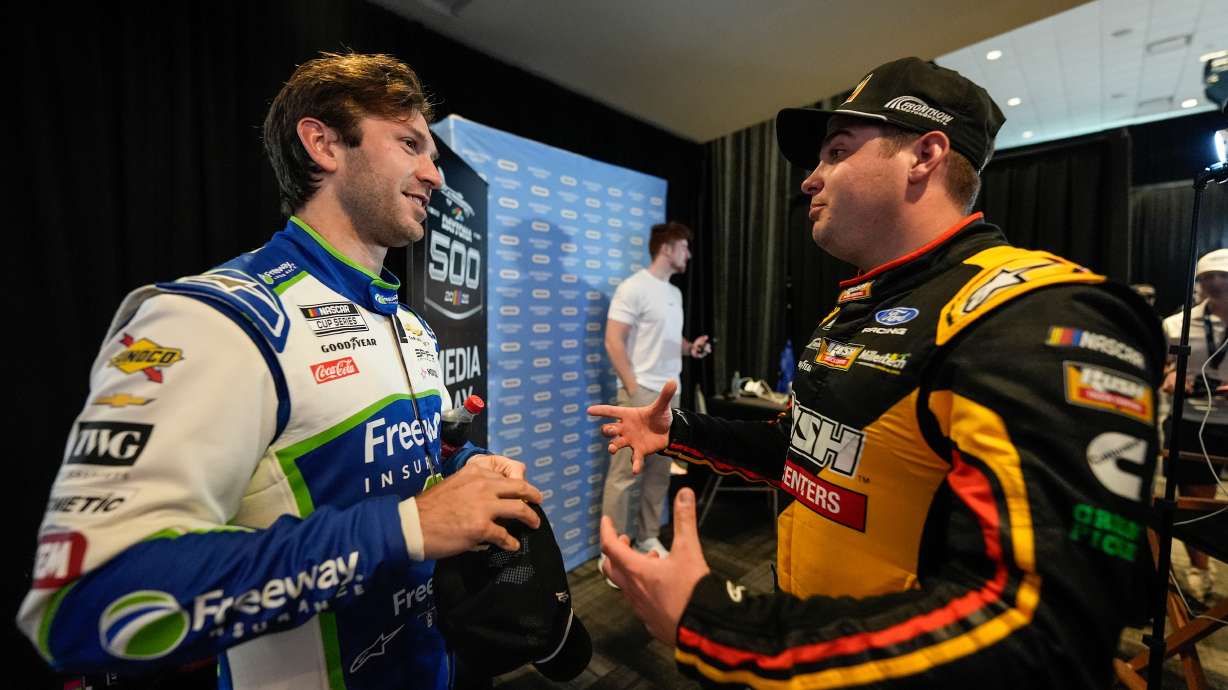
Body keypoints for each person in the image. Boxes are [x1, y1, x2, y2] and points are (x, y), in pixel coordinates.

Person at [589, 57, 1164, 688]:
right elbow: (800, 453)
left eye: (836, 152)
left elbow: (1044, 636)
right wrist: (683, 433)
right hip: (816, 647)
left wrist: (714, 628)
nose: (810, 180)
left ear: (924, 155)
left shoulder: (1037, 314)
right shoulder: (857, 306)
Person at [17, 52, 542, 690]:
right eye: (410, 144)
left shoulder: (410, 327)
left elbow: (409, 474)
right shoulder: (216, 318)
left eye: (431, 153)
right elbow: (83, 604)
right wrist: (410, 527)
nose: (434, 173)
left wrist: (464, 474)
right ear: (322, 143)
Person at [598, 222, 709, 579]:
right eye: (685, 247)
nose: (689, 255)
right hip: (640, 394)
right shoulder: (633, 287)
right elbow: (614, 341)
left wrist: (690, 348)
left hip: (670, 392)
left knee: (660, 470)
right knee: (624, 475)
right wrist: (632, 390)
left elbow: (667, 338)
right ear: (668, 247)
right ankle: (613, 552)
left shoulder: (673, 294)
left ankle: (646, 537)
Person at [1161, 248, 1228, 604]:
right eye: (1208, 279)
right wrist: (1172, 376)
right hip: (1192, 419)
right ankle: (1200, 567)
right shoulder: (1176, 324)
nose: (1217, 286)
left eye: (1224, 278)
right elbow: (1164, 368)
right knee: (1193, 500)